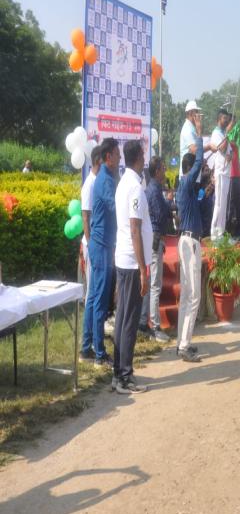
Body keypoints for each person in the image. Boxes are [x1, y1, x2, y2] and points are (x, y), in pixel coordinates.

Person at [112, 140, 152, 394]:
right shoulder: (134, 187)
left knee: (122, 318)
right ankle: (124, 376)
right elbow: (135, 228)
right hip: (131, 262)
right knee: (129, 320)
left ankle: (119, 373)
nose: (145, 158)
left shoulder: (124, 183)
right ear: (138, 157)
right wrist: (143, 268)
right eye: (143, 154)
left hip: (124, 259)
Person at [80, 138, 120, 367]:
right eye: (117, 154)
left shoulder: (105, 178)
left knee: (94, 298)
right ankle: (99, 354)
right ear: (108, 157)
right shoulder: (105, 181)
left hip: (100, 244)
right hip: (102, 245)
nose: (120, 158)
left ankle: (87, 348)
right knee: (100, 301)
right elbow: (117, 208)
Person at [176, 114, 204, 362]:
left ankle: (182, 343)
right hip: (190, 243)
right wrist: (200, 134)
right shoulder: (185, 182)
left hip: (188, 241)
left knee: (187, 295)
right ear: (189, 168)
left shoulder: (185, 187)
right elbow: (200, 161)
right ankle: (184, 345)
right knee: (193, 296)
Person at [142, 156, 171, 343]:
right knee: (155, 285)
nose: (165, 171)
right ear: (157, 171)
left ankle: (145, 321)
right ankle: (155, 326)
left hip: (153, 238)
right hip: (155, 238)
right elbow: (160, 215)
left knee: (152, 283)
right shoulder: (154, 190)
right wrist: (168, 204)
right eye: (163, 168)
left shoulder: (152, 188)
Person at [80, 146, 102, 299]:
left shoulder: (98, 181)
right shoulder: (89, 184)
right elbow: (85, 217)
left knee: (98, 287)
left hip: (98, 242)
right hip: (92, 243)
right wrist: (90, 244)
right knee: (92, 290)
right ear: (98, 161)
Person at [210, 109, 233, 239]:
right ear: (219, 119)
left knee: (224, 204)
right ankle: (214, 233)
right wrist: (227, 134)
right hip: (220, 172)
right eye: (225, 118)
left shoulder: (224, 133)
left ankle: (221, 232)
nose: (227, 121)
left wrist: (231, 156)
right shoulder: (216, 133)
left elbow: (230, 152)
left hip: (226, 173)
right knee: (219, 203)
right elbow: (222, 148)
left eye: (227, 119)